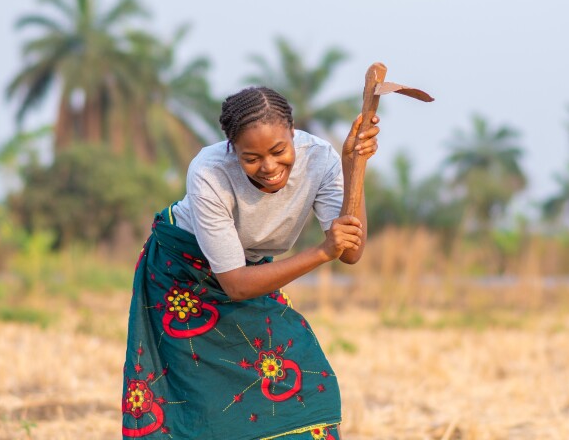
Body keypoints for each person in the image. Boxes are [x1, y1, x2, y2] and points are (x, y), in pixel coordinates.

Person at [121, 86, 379, 439]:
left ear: (293, 132)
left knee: (301, 379)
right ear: (232, 149)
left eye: (279, 150)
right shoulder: (209, 173)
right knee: (198, 401)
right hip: (182, 278)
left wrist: (352, 170)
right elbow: (237, 284)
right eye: (251, 157)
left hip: (253, 269)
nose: (269, 167)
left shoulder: (320, 158)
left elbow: (351, 252)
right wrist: (321, 252)